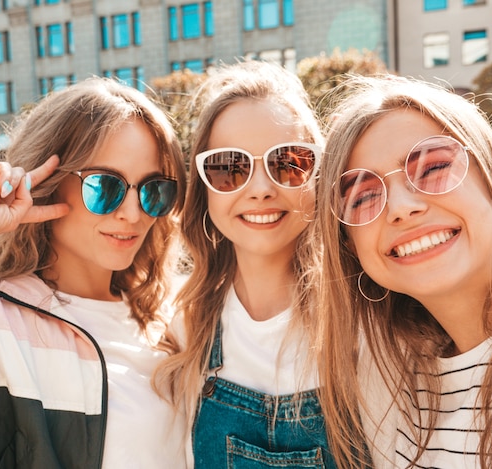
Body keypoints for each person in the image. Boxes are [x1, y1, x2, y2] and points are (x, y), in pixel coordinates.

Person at [0, 76, 187, 468]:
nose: (133, 213)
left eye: (154, 190)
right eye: (105, 186)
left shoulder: (178, 319)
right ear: (50, 183)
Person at [315, 74, 492, 468]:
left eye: (434, 167)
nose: (401, 207)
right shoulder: (396, 390)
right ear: (349, 246)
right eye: (363, 195)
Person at [154, 60, 340, 467]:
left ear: (318, 176)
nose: (260, 189)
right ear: (204, 190)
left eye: (289, 162)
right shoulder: (182, 329)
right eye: (229, 168)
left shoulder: (361, 322)